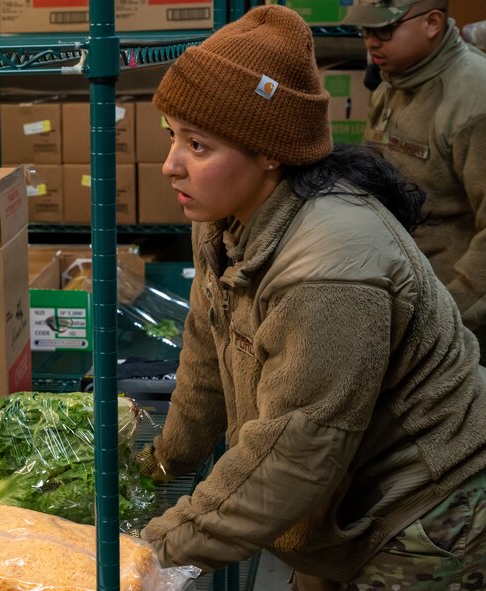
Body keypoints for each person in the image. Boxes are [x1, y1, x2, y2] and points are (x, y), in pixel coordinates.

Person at [136, 5, 486, 590]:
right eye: (171, 136)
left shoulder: (329, 272)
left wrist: (153, 552)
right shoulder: (225, 221)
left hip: (430, 512)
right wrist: (164, 462)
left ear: (270, 152)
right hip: (340, 496)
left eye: (197, 146)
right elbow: (204, 357)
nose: (170, 165)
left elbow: (294, 451)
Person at [342, 0, 486, 364]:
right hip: (404, 299)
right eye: (365, 31)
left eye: (384, 30)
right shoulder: (393, 84)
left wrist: (448, 319)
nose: (371, 42)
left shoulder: (473, 102)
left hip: (454, 320)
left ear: (433, 23)